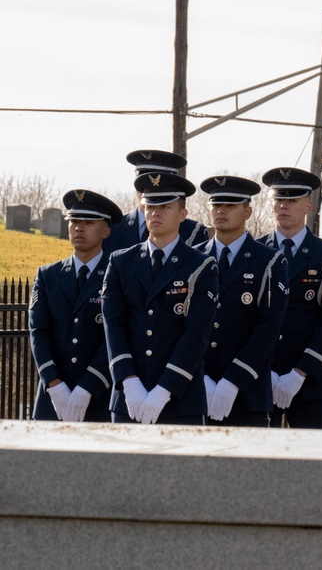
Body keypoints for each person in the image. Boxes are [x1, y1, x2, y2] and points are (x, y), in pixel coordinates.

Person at [102, 172, 219, 425]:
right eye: (151, 205)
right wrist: (129, 383)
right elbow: (113, 324)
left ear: (182, 215)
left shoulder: (201, 266)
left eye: (165, 206)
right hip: (129, 400)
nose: (155, 212)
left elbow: (196, 335)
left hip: (181, 399)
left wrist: (163, 390)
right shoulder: (121, 262)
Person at [257, 167, 322, 429]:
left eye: (292, 200)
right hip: (260, 376)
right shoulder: (253, 252)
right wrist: (264, 371)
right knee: (259, 462)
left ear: (308, 205)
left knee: (312, 463)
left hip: (310, 382)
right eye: (278, 199)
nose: (283, 206)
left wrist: (300, 373)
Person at [198, 175, 289, 427]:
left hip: (247, 394)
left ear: (248, 211)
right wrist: (200, 376)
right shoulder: (193, 259)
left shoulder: (270, 262)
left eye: (230, 205)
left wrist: (233, 381)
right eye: (216, 205)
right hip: (195, 392)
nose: (221, 211)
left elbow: (268, 328)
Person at [28, 190, 124, 422]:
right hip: (54, 396)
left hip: (99, 395)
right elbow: (39, 332)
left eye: (89, 222)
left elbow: (117, 335)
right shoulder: (48, 275)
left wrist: (87, 387)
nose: (79, 228)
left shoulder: (119, 275)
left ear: (106, 231)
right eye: (74, 221)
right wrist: (54, 384)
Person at [103, 149, 209, 253]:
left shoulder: (193, 232)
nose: (147, 188)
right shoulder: (111, 230)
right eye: (142, 181)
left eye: (156, 182)